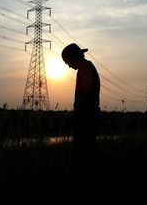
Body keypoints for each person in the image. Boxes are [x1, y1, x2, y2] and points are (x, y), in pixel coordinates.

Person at [61, 43, 100, 194]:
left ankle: (84, 187)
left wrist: (77, 111)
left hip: (87, 117)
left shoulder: (84, 67)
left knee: (83, 154)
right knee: (88, 153)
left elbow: (87, 90)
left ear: (73, 58)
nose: (68, 66)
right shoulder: (87, 66)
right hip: (89, 115)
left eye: (67, 62)